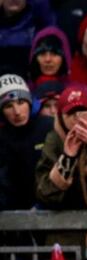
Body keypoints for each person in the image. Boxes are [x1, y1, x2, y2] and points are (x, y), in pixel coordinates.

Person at [35, 84, 87, 210]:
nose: (77, 118)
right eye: (71, 113)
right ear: (61, 117)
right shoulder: (54, 139)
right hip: (66, 221)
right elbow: (46, 195)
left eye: (82, 112)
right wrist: (67, 158)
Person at [0, 73, 53, 210]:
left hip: (52, 207)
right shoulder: (2, 139)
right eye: (8, 106)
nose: (17, 112)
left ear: (30, 103)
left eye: (21, 102)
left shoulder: (49, 127)